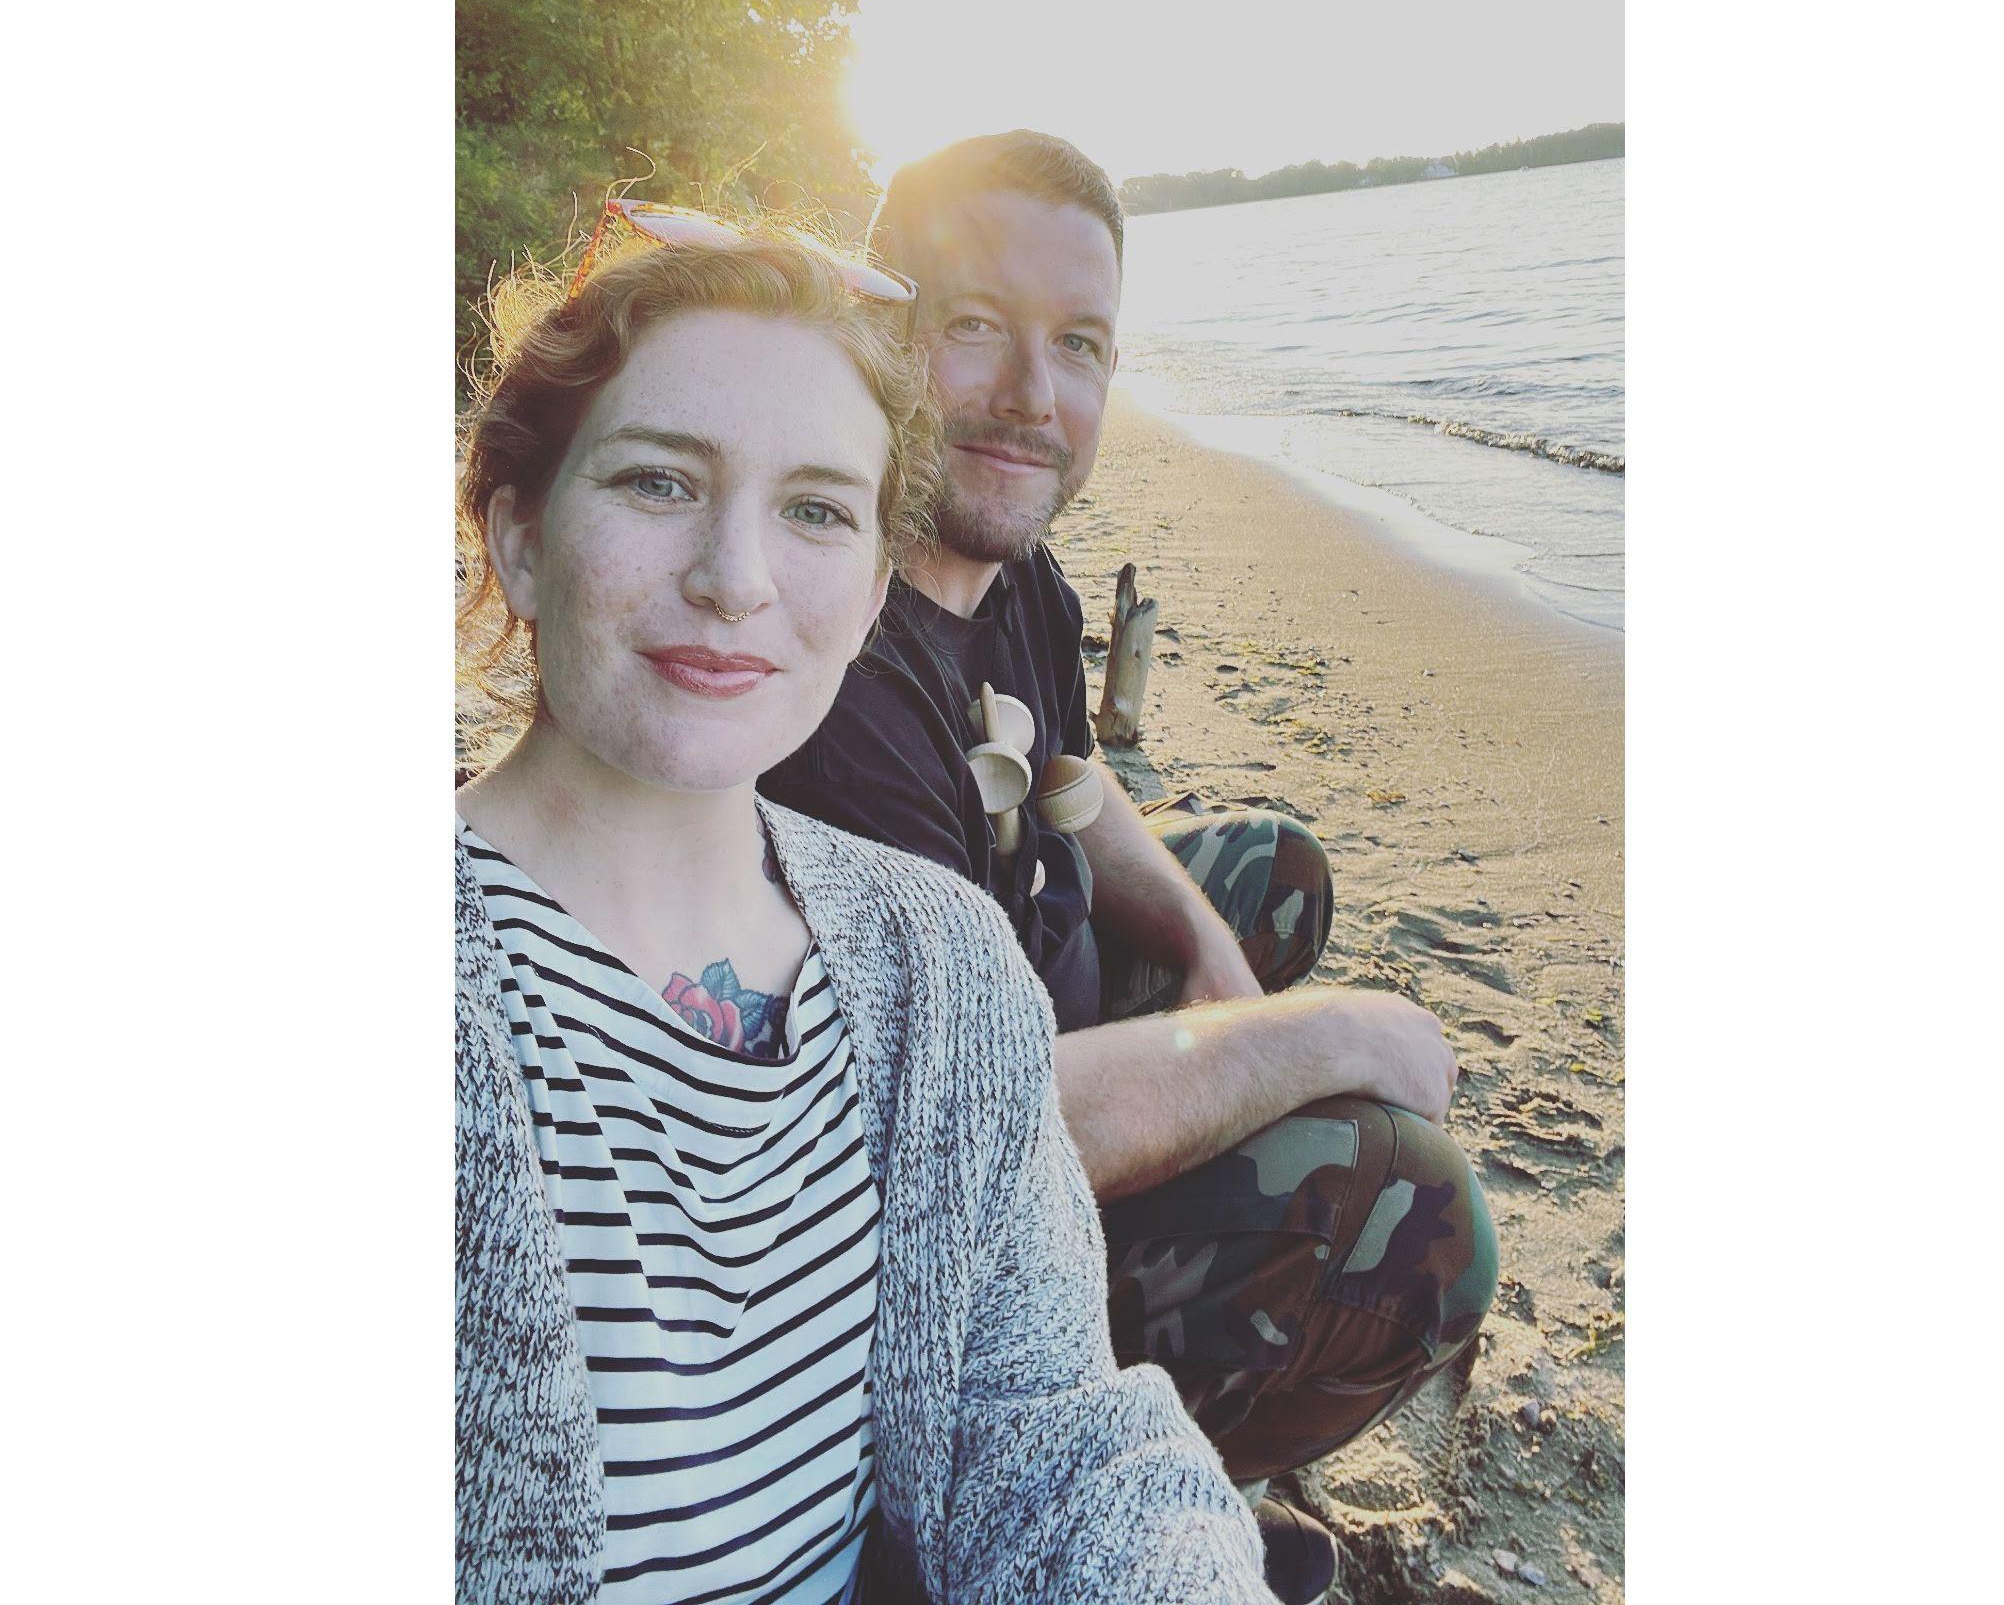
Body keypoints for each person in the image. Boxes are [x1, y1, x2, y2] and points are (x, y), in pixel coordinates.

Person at [454, 210, 1275, 1605]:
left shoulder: (941, 966)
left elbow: (1057, 1439)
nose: (737, 578)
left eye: (818, 510)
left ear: (878, 583)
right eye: (659, 482)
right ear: (520, 538)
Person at [762, 133, 1499, 1603]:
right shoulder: (833, 668)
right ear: (883, 326)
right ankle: (1114, 1495)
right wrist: (1319, 1032)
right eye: (976, 326)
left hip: (1014, 1000)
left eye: (1080, 344)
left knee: (1271, 876)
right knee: (1416, 1213)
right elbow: (964, 1143)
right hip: (924, 1247)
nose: (1034, 397)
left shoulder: (1004, 562)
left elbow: (1076, 795)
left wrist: (1223, 970)